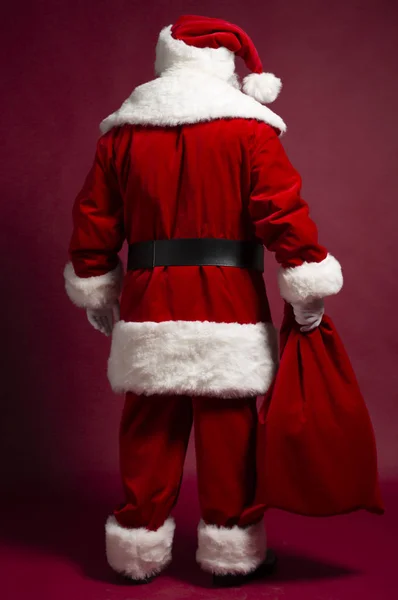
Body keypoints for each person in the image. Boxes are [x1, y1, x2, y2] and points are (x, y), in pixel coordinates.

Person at [64, 15, 343, 586]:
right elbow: (280, 213)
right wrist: (305, 280)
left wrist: (95, 281)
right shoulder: (249, 131)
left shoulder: (123, 133)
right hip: (228, 299)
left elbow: (95, 217)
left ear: (167, 61)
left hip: (148, 297)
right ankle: (231, 550)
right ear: (225, 67)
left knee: (149, 425)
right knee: (229, 429)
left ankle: (137, 546)